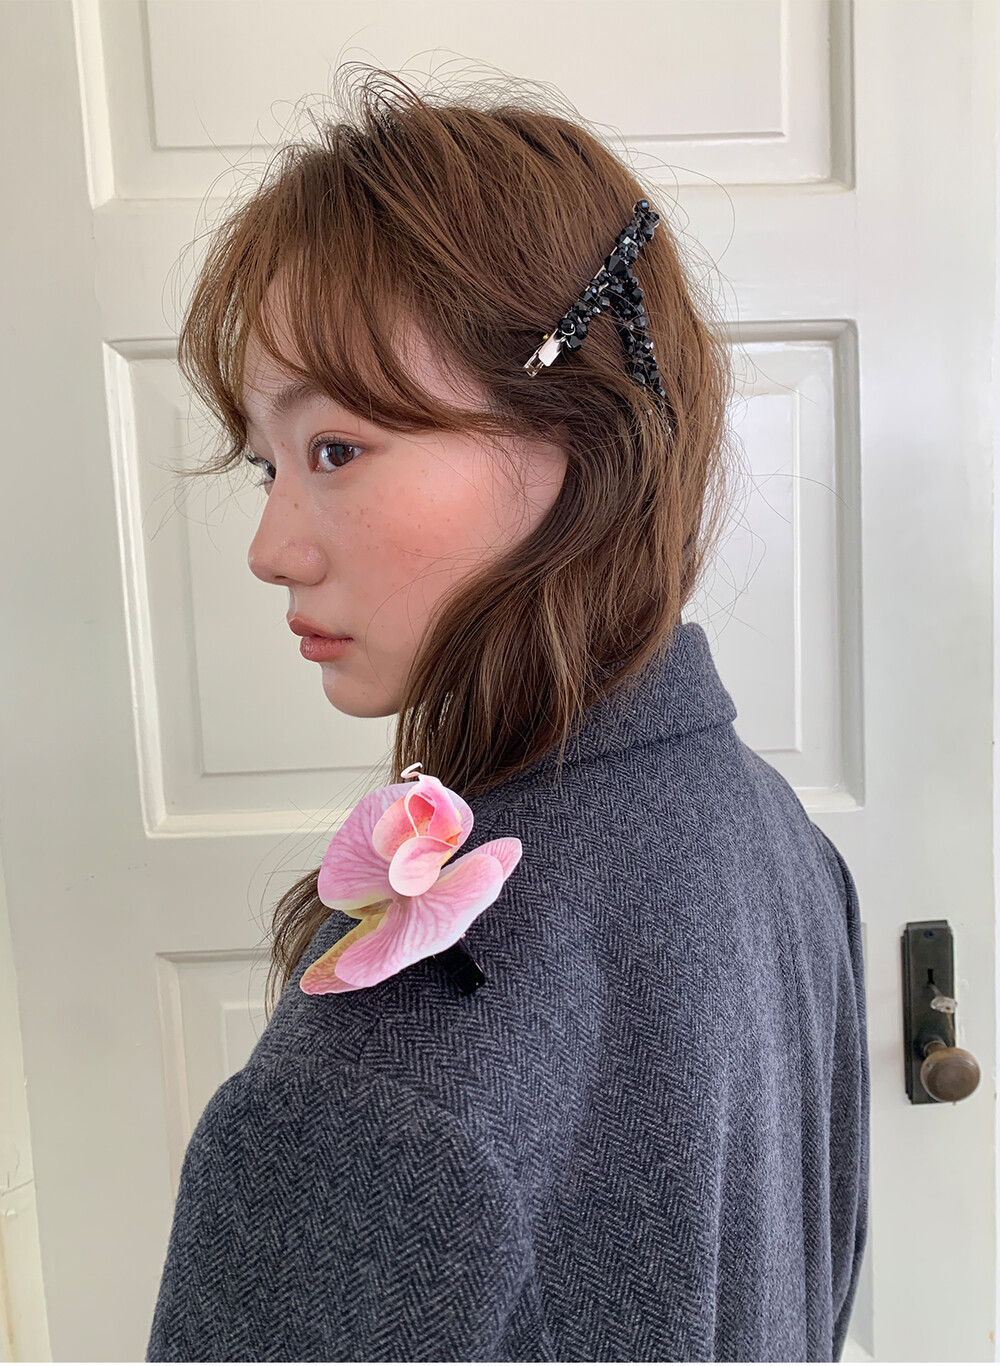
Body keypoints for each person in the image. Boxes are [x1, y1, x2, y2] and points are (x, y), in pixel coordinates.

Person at [146, 66, 869, 1363]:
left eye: (335, 450)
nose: (268, 547)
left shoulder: (397, 1065)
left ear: (577, 431)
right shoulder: (780, 841)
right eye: (266, 463)